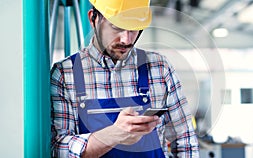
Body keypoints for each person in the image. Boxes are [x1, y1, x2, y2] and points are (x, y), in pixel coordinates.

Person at [50, 0, 200, 157]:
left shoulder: (159, 68)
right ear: (93, 19)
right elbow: (59, 149)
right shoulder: (66, 74)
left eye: (134, 29)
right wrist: (114, 134)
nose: (126, 40)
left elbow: (185, 141)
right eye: (116, 27)